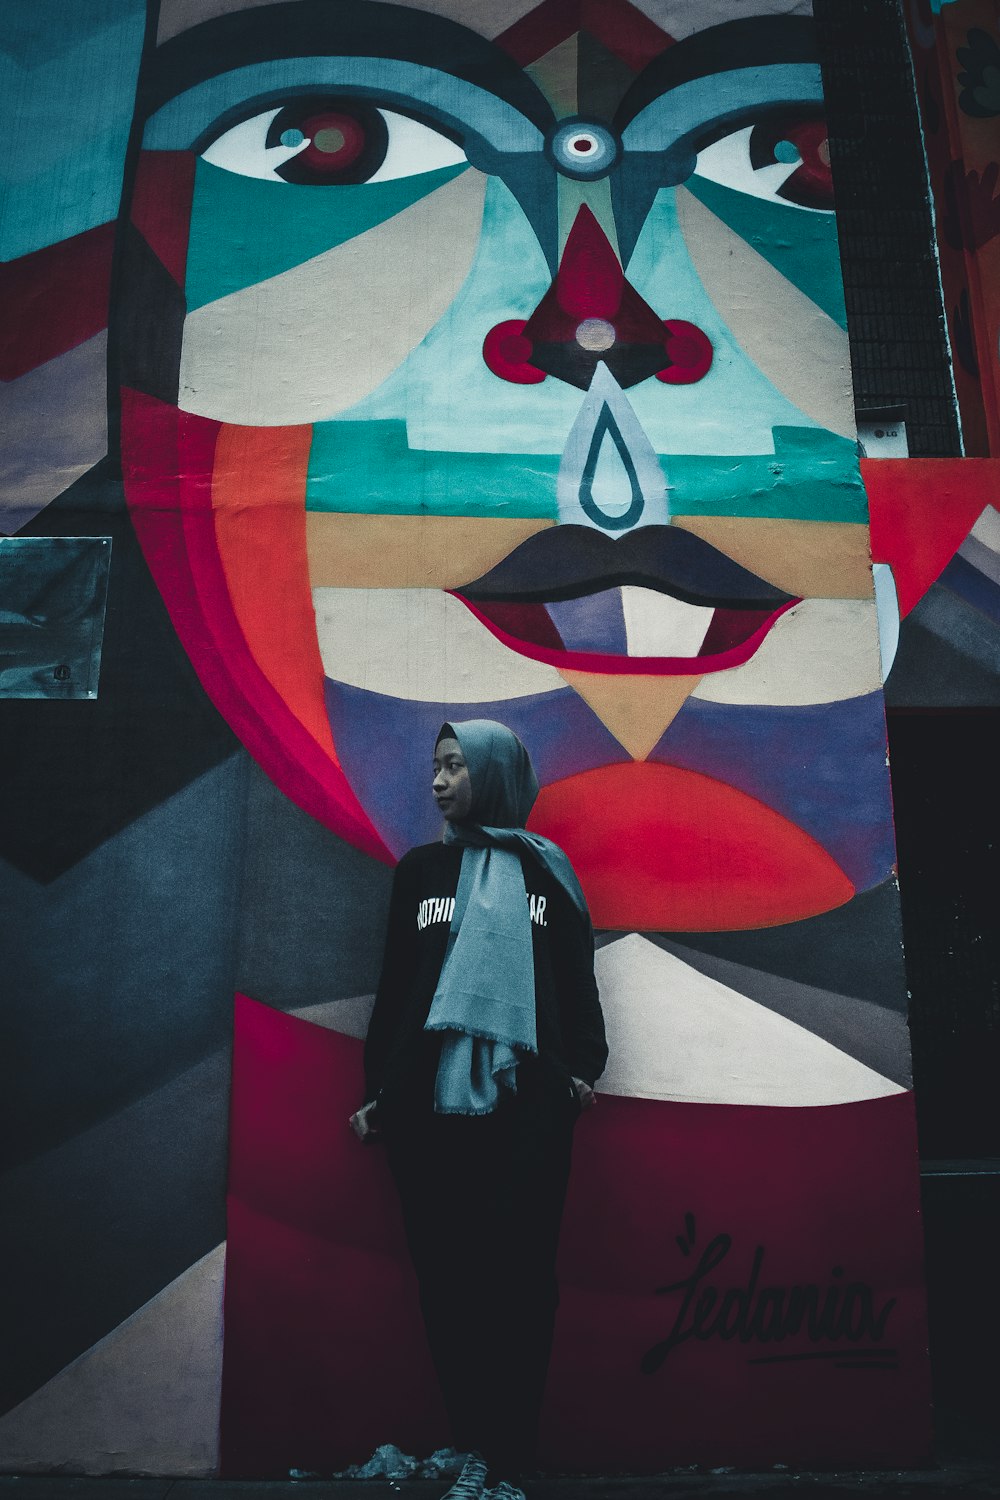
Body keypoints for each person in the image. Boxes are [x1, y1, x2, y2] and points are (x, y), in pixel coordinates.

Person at [350, 719, 607, 1500]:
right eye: (437, 766)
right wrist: (378, 1091)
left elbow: (575, 982)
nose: (439, 780)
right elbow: (396, 989)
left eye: (457, 767)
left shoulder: (547, 875)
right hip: (427, 1108)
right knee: (447, 1279)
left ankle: (508, 1452)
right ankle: (471, 1442)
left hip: (527, 1107)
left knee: (521, 1280)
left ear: (493, 776)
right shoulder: (419, 872)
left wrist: (580, 1071)